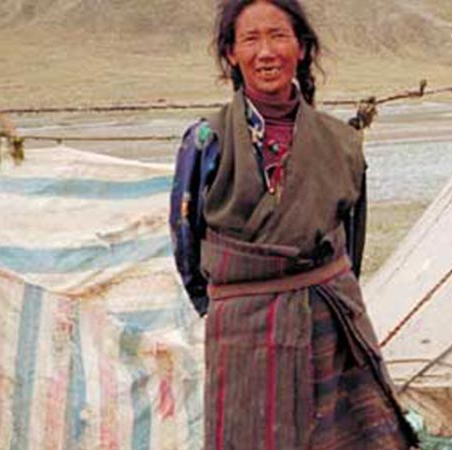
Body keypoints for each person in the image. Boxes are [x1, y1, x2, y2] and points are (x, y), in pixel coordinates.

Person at [168, 1, 413, 448]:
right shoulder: (206, 140)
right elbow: (186, 243)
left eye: (278, 36)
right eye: (251, 39)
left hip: (328, 322)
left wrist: (317, 293)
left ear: (301, 48)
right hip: (242, 332)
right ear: (231, 55)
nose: (266, 52)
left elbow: (349, 246)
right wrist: (233, 304)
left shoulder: (340, 143)